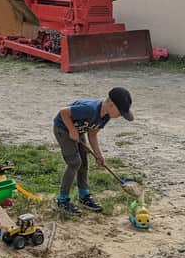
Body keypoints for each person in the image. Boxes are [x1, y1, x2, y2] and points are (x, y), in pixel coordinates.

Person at [53, 87, 134, 215]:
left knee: (84, 163)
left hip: (78, 131)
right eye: (120, 113)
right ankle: (62, 201)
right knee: (74, 162)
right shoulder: (90, 109)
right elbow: (63, 112)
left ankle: (84, 196)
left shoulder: (106, 116)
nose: (120, 116)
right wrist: (72, 129)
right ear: (111, 104)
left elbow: (92, 133)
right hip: (63, 128)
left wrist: (98, 155)